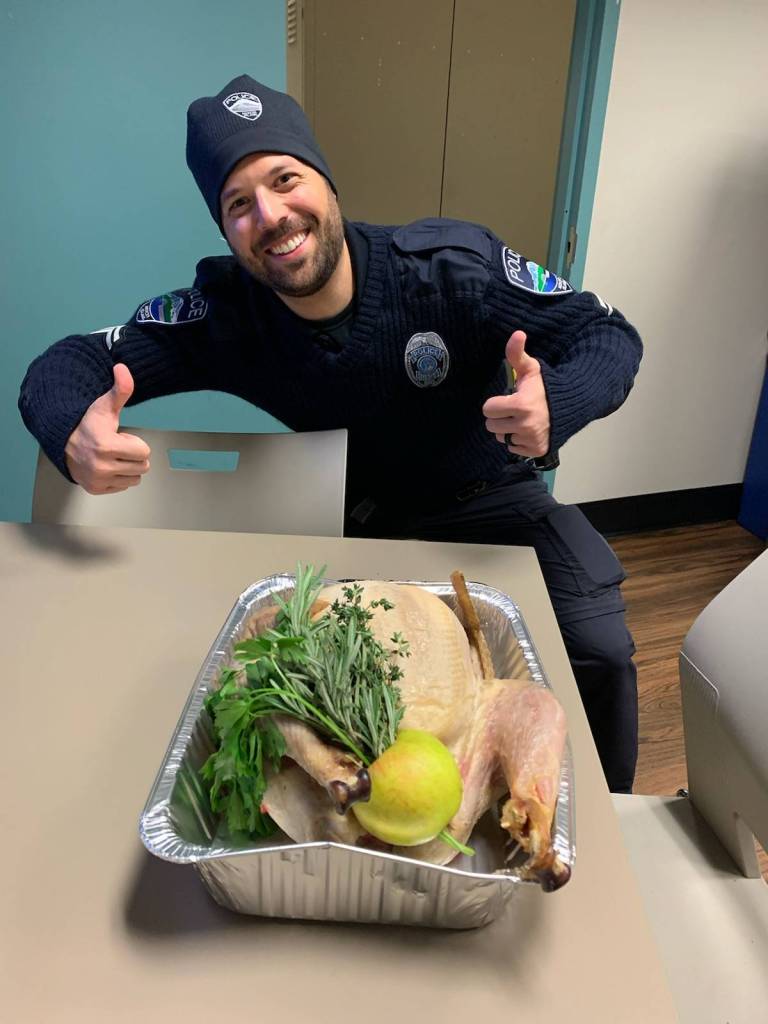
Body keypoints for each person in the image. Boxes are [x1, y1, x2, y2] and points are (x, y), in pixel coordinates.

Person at [18, 75, 642, 792]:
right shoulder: (230, 313)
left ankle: (610, 814)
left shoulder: (451, 270)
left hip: (490, 504)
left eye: (285, 180)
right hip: (354, 528)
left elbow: (606, 334)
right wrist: (72, 431)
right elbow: (71, 361)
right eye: (239, 204)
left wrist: (558, 401)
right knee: (322, 707)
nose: (271, 215)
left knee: (598, 650)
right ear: (226, 230)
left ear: (326, 181)